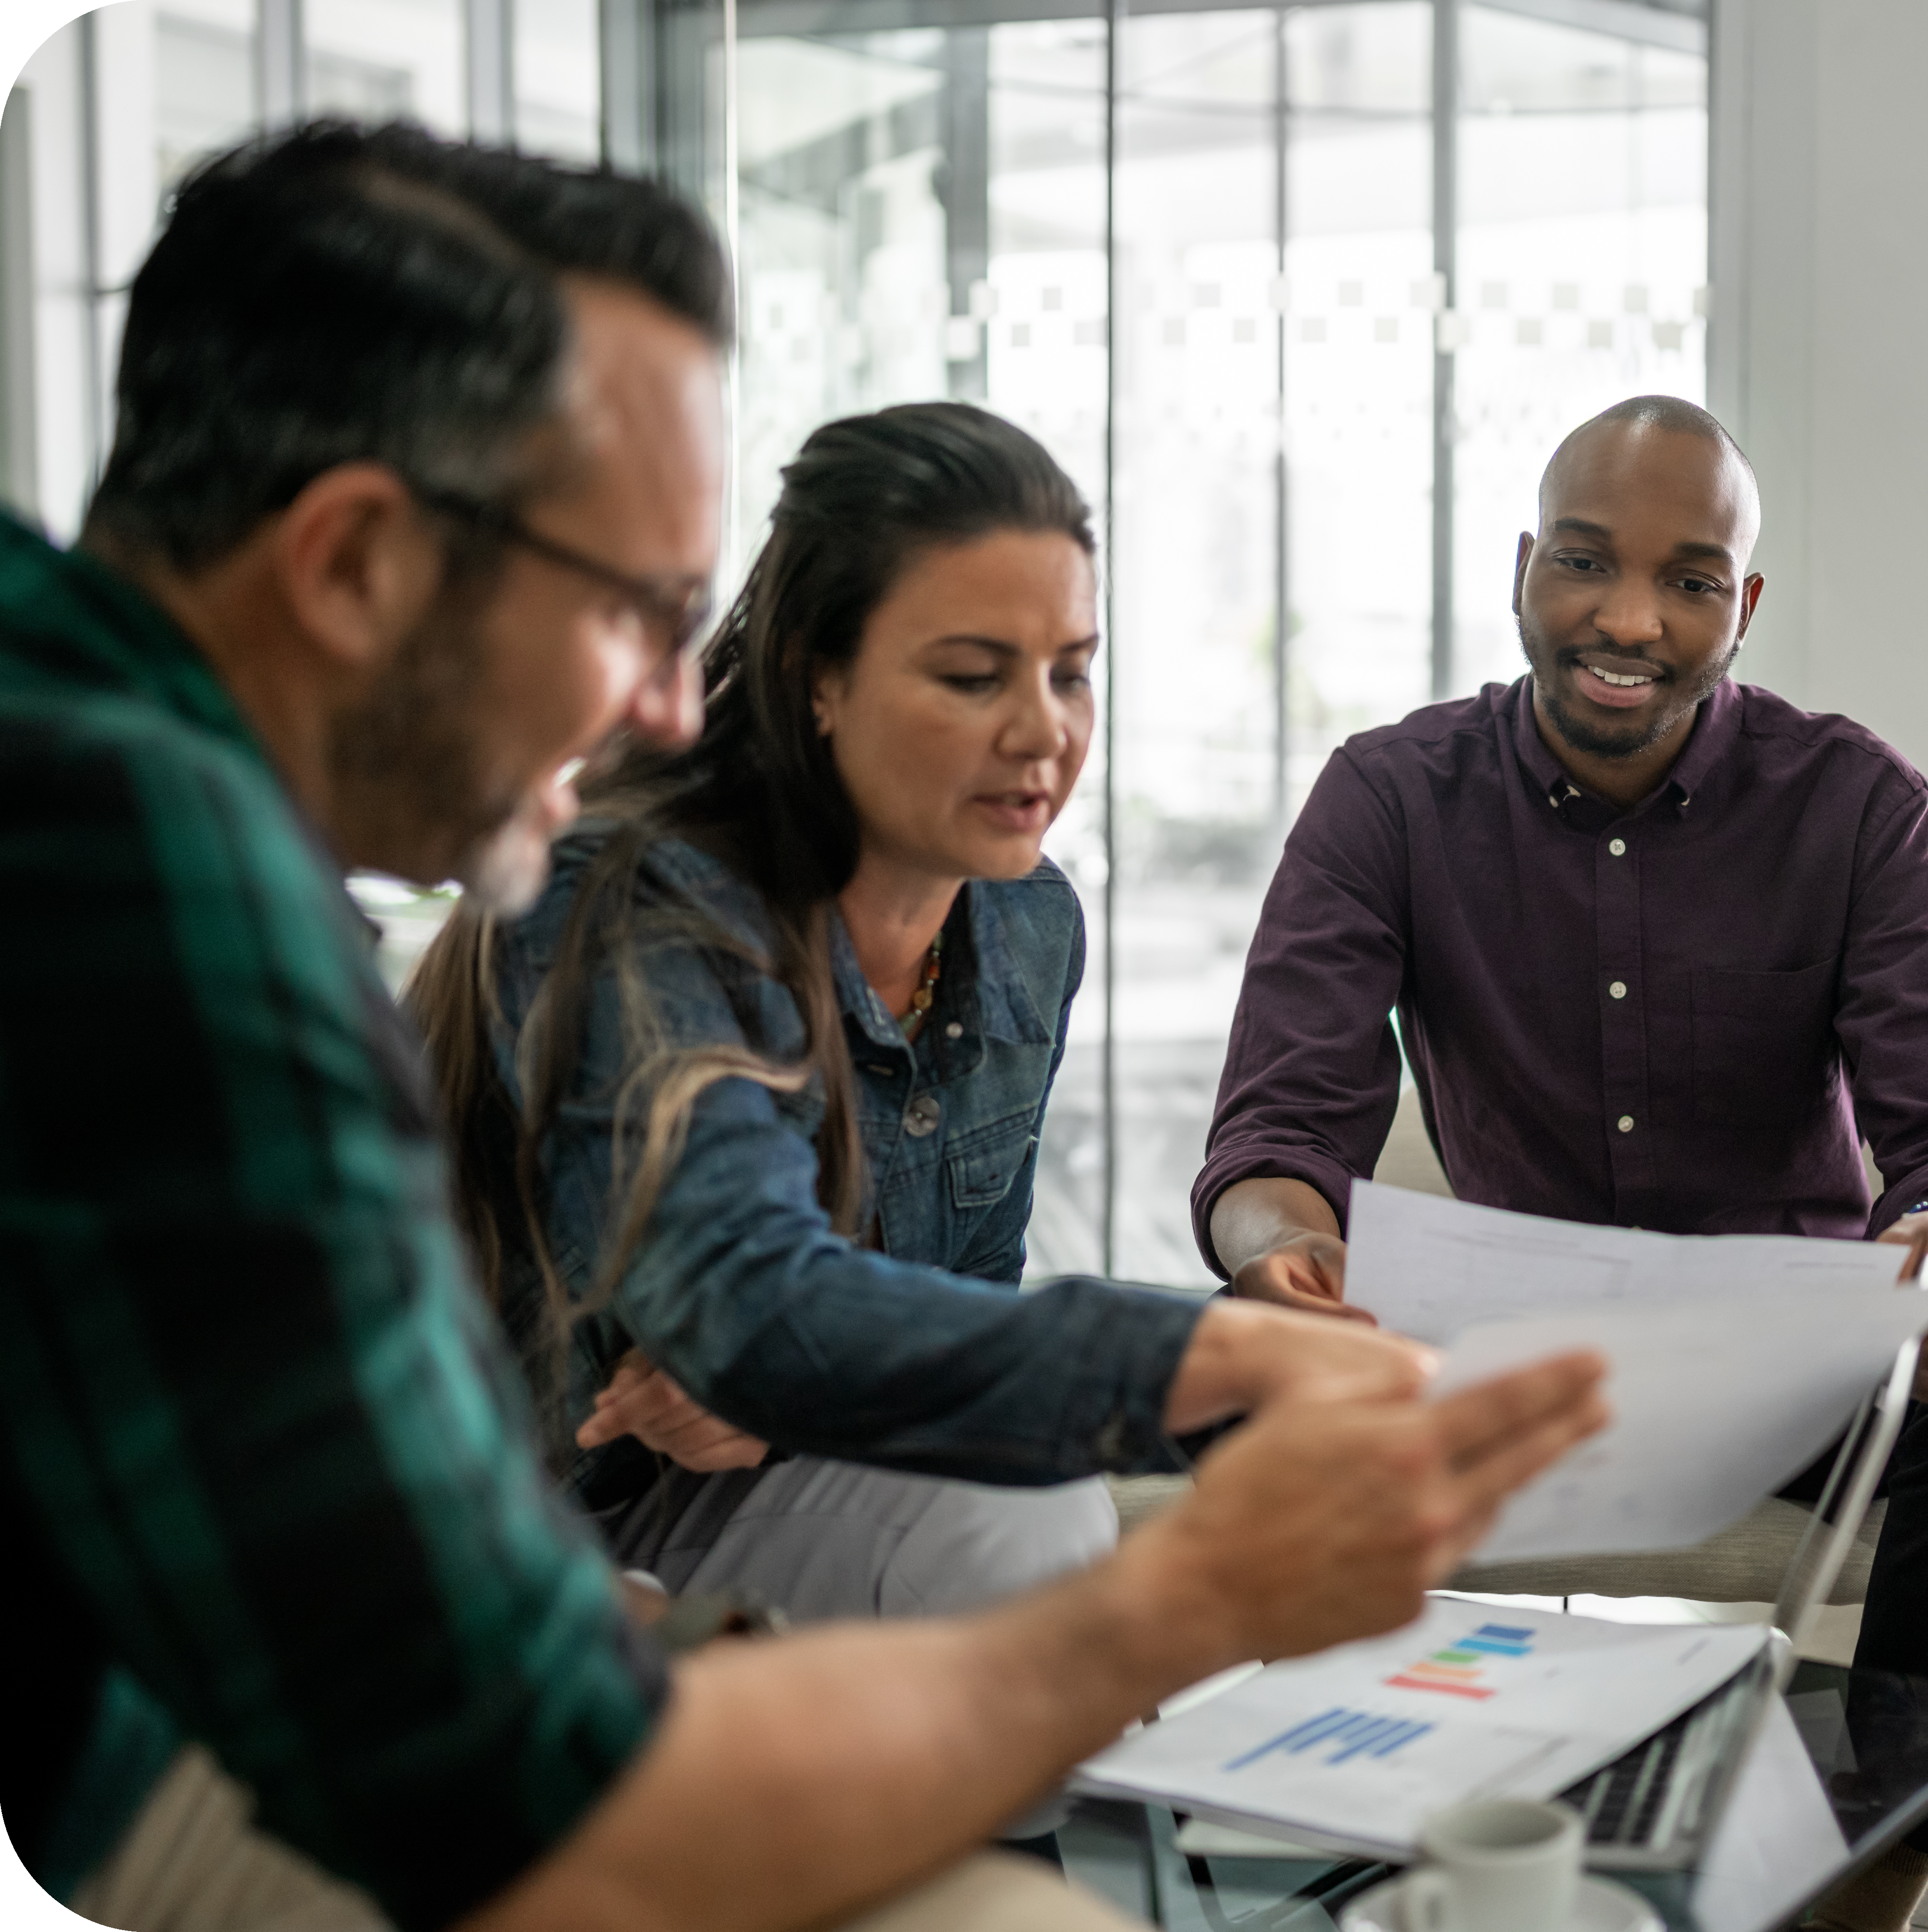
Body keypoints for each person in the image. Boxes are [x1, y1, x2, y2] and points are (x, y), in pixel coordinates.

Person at [1, 121, 1607, 1932]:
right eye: (636, 610)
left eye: (1070, 671)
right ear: (357, 562)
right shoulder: (163, 889)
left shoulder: (98, 760)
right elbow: (533, 1778)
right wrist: (1194, 1566)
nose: (666, 704)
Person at [1193, 396, 1928, 1932]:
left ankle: (1866, 1887)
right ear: (1523, 571)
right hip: (1504, 1356)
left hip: (1790, 1359)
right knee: (1225, 1375)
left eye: (1686, 581)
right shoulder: (1389, 796)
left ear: (1739, 608)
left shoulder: (1856, 807)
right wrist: (1278, 1254)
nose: (1628, 620)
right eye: (1588, 566)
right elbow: (1276, 1134)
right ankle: (1345, 1850)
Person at [404, 402, 1279, 1669]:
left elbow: (948, 1313)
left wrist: (807, 1393)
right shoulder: (639, 893)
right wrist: (791, 1366)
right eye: (973, 676)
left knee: (1024, 1507)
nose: (1043, 732)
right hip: (513, 1534)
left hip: (736, 1503)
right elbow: (752, 1317)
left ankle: (989, 1855)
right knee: (1028, 1516)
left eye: (1070, 671)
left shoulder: (1026, 924)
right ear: (819, 675)